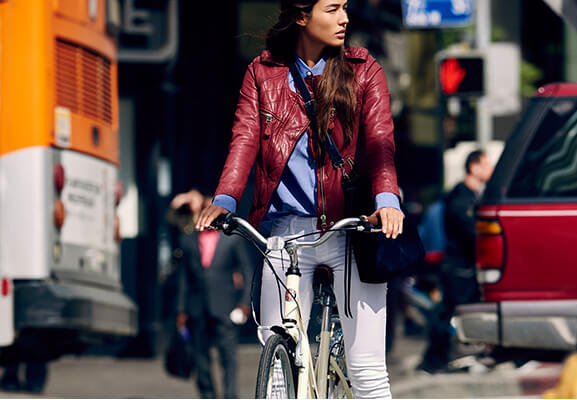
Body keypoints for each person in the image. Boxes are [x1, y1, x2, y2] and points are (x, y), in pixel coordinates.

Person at [195, 1, 404, 397]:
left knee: (367, 370)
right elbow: (244, 139)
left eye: (345, 8)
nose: (344, 18)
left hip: (349, 231)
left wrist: (387, 199)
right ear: (302, 17)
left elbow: (381, 142)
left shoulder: (363, 70)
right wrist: (226, 197)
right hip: (286, 232)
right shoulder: (262, 72)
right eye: (333, 9)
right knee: (279, 367)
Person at [171, 189, 255, 399]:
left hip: (225, 306)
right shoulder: (189, 239)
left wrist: (244, 303)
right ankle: (208, 396)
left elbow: (247, 270)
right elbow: (183, 278)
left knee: (228, 357)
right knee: (201, 358)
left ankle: (230, 396)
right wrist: (181, 310)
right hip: (197, 307)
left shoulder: (231, 240)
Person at [418, 149, 493, 373]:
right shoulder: (461, 198)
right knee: (448, 313)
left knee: (450, 312)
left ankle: (440, 359)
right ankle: (433, 361)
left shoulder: (471, 196)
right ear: (474, 167)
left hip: (462, 266)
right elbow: (472, 233)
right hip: (458, 267)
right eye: (486, 164)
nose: (490, 170)